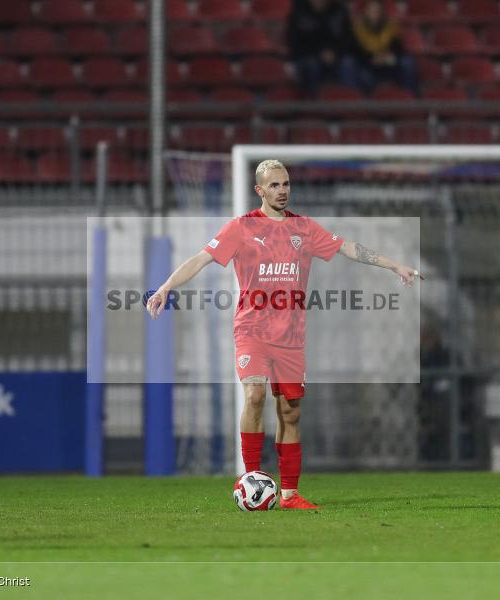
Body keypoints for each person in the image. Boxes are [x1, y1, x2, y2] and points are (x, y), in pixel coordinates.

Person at [146, 159, 420, 509]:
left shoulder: (304, 228)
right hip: (252, 330)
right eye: (274, 185)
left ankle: (289, 494)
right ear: (260, 190)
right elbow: (202, 258)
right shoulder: (241, 227)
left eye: (286, 183)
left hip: (291, 336)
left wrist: (394, 265)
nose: (282, 190)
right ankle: (251, 479)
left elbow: (348, 248)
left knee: (290, 412)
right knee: (255, 395)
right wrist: (166, 286)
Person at [286, 0, 361, 94]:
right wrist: (319, 54)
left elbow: (349, 39)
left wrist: (335, 53)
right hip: (309, 56)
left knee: (349, 63)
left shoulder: (340, 11)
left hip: (337, 56)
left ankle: (349, 101)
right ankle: (312, 103)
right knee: (310, 65)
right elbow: (295, 42)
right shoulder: (298, 12)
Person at [351, 0, 420, 96]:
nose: (374, 13)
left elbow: (399, 49)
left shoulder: (391, 27)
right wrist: (372, 59)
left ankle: (411, 98)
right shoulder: (358, 29)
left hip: (390, 64)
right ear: (365, 12)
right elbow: (356, 53)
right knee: (362, 74)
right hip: (369, 66)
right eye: (371, 10)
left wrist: (390, 57)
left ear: (382, 12)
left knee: (408, 62)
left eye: (377, 10)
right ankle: (367, 105)